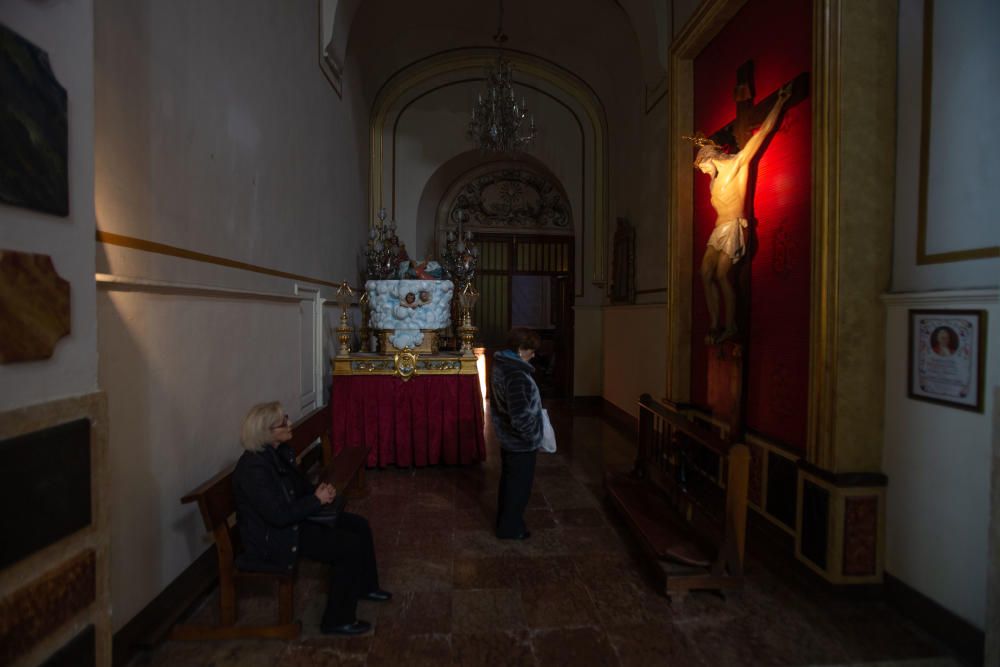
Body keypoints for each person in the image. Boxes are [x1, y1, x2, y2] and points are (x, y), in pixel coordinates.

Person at [232, 401, 391, 636]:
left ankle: (365, 587)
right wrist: (315, 501)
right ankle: (337, 620)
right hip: (275, 538)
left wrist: (321, 493)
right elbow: (278, 516)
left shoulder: (276, 454)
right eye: (283, 422)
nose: (289, 423)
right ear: (266, 433)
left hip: (292, 523)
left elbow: (300, 489)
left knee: (359, 525)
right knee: (348, 546)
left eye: (286, 417)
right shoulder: (254, 469)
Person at [692, 82, 792, 344]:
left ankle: (731, 324)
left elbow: (762, 134)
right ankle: (714, 324)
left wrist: (779, 103)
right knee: (704, 273)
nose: (702, 172)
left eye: (702, 167)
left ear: (707, 158)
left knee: (723, 274)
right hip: (718, 229)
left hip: (734, 226)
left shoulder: (736, 165)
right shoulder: (713, 181)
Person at [490, 327, 544, 539]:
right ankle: (511, 529)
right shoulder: (516, 373)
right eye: (531, 350)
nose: (534, 354)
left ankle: (505, 523)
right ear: (521, 349)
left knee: (509, 484)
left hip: (508, 439)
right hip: (520, 442)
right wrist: (532, 436)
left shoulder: (503, 365)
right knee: (518, 489)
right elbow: (520, 415)